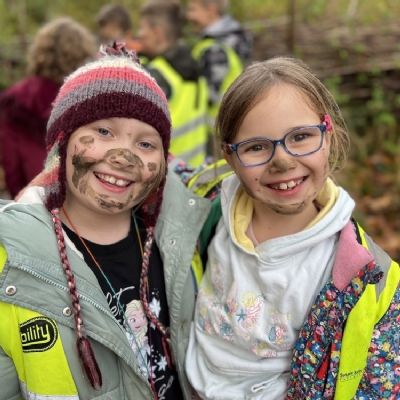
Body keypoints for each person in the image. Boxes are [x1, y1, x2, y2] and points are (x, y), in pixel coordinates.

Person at [0, 42, 211, 399]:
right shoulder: (12, 262)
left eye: (146, 144)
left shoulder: (181, 237)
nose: (124, 156)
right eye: (103, 132)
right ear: (62, 141)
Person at [185, 57, 399, 399]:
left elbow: (381, 384)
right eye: (256, 147)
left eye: (300, 137)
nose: (283, 161)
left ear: (327, 134)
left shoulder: (366, 278)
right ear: (229, 156)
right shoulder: (208, 206)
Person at [0, 17, 97, 198]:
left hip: (28, 195)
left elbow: (10, 159)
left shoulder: (13, 99)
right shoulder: (86, 98)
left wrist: (20, 198)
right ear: (82, 53)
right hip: (75, 198)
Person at [138, 1, 208, 167]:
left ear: (157, 33)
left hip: (165, 172)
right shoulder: (195, 64)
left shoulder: (157, 75)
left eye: (142, 28)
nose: (139, 34)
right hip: (195, 171)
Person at [186, 0, 252, 138]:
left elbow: (208, 96)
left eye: (193, 10)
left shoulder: (215, 48)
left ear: (210, 10)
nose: (188, 16)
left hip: (216, 130)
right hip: (232, 124)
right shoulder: (233, 38)